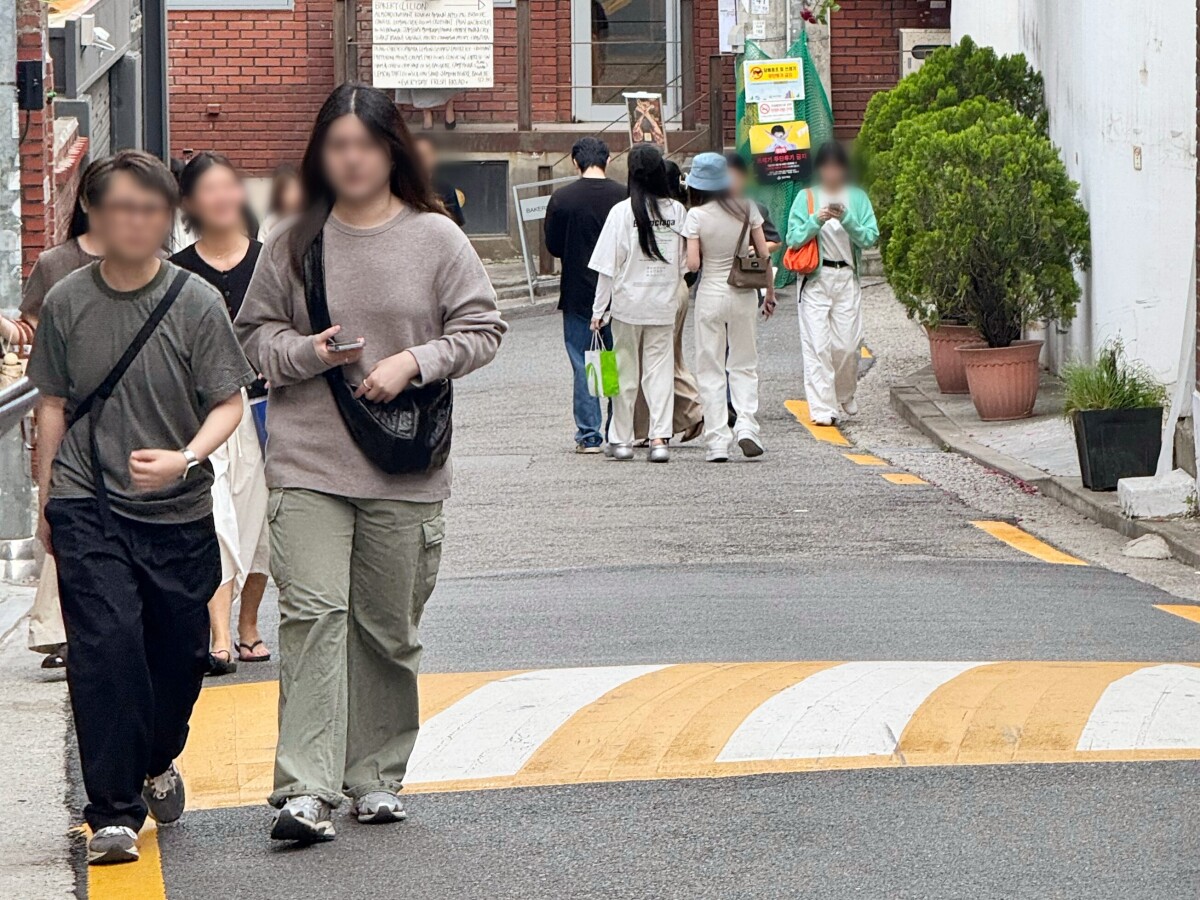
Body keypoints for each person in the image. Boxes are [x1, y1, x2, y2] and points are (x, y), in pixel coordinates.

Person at [236, 83, 505, 844]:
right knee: (314, 617)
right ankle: (306, 790)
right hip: (308, 459)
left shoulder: (437, 238)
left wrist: (414, 362)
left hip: (405, 463)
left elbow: (482, 329)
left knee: (387, 628)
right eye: (336, 145)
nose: (351, 159)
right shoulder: (293, 237)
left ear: (391, 149)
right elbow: (253, 336)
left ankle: (377, 776)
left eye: (364, 143)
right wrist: (306, 353)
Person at [26, 150, 255, 865]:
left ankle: (157, 759)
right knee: (106, 651)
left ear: (168, 215)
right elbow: (53, 406)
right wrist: (47, 502)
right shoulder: (66, 301)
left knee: (178, 659)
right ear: (93, 213)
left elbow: (229, 400)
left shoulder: (195, 302)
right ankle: (113, 812)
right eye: (121, 206)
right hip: (87, 503)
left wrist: (185, 457)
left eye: (150, 207)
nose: (136, 220)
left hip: (177, 509)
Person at [171, 152, 272, 674]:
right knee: (214, 522)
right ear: (189, 203)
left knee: (257, 525)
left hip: (261, 410)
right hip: (203, 416)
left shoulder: (272, 261)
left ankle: (249, 623)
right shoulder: (176, 273)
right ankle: (218, 634)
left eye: (227, 187)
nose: (219, 198)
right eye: (206, 190)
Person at [16, 158, 107, 671]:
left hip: (131, 419)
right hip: (65, 411)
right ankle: (57, 629)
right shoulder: (55, 263)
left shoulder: (155, 260)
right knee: (61, 517)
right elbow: (33, 327)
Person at [588, 144, 687, 463]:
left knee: (624, 373)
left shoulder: (621, 213)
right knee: (659, 375)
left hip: (628, 306)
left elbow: (607, 268)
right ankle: (659, 439)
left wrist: (597, 311)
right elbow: (683, 265)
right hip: (662, 305)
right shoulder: (676, 211)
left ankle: (622, 440)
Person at [682, 152, 776, 462]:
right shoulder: (747, 208)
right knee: (744, 363)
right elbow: (764, 255)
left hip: (710, 294)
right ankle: (747, 426)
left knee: (710, 368)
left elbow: (693, 264)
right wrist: (770, 294)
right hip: (743, 294)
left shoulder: (695, 216)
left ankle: (717, 441)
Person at [785, 141, 879, 426]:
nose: (832, 172)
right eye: (826, 167)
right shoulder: (807, 198)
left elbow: (870, 238)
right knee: (817, 344)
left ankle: (845, 392)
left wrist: (846, 218)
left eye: (837, 166)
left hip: (846, 277)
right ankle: (823, 408)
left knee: (847, 345)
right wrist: (817, 220)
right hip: (815, 279)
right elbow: (793, 238)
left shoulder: (858, 198)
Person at [544, 138, 626, 453]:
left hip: (577, 290)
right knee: (612, 359)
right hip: (617, 290)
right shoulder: (623, 196)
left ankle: (589, 434)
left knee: (582, 360)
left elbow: (553, 246)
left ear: (575, 163)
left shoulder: (562, 198)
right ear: (606, 161)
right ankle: (617, 428)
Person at [414, 135, 465, 227]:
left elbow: (457, 225)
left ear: (434, 157)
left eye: (425, 155)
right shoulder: (402, 188)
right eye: (417, 156)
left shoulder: (445, 189)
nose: (421, 160)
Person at [259, 164, 305, 241]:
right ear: (279, 193)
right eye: (289, 190)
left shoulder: (309, 219)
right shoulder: (270, 223)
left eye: (297, 188)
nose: (295, 194)